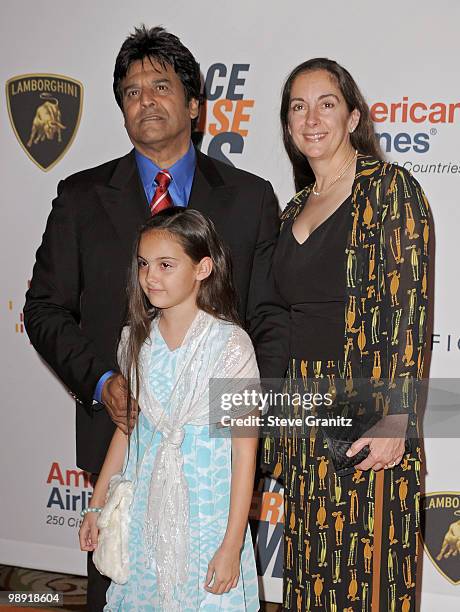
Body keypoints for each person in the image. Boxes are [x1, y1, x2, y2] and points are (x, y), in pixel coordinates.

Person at [24, 26, 283, 610]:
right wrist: (102, 381)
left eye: (161, 86)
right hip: (123, 455)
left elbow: (269, 319)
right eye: (132, 91)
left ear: (194, 105)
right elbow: (42, 308)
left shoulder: (251, 199)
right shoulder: (79, 198)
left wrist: (238, 417)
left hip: (216, 467)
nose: (146, 99)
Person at [263, 58, 430, 611]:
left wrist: (397, 417)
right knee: (312, 574)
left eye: (326, 103)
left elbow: (410, 309)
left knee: (365, 576)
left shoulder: (391, 191)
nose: (311, 118)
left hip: (367, 412)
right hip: (305, 418)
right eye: (297, 106)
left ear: (353, 116)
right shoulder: (292, 210)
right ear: (287, 124)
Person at [79, 208, 260, 611]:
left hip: (208, 518)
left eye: (165, 265)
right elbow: (128, 431)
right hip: (145, 518)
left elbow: (245, 452)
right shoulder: (135, 341)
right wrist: (97, 505)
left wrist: (231, 544)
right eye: (143, 264)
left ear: (202, 268)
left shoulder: (231, 347)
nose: (150, 277)